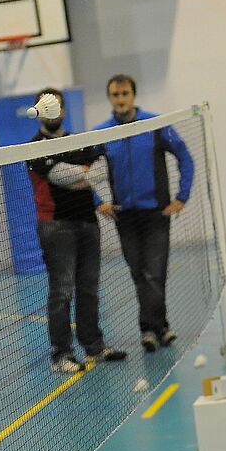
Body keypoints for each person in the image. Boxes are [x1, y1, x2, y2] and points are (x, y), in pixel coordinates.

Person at [27, 88, 127, 374]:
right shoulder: (34, 148)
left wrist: (82, 175)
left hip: (87, 224)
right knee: (61, 291)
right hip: (56, 227)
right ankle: (61, 355)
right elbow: (60, 176)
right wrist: (85, 173)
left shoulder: (81, 142)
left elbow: (101, 170)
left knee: (89, 289)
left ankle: (94, 346)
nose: (52, 112)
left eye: (57, 106)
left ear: (64, 110)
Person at [93, 74, 194, 352]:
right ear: (110, 98)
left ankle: (151, 329)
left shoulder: (156, 125)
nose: (120, 99)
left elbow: (185, 156)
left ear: (133, 95)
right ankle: (158, 328)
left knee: (155, 272)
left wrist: (182, 196)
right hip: (124, 218)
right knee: (139, 273)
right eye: (115, 95)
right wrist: (98, 202)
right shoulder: (102, 133)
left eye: (125, 93)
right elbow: (82, 168)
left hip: (156, 215)